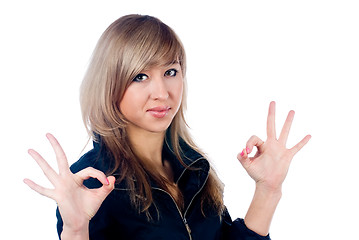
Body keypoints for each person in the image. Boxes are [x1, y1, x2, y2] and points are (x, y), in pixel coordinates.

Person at [23, 14, 311, 240]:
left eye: (170, 72)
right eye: (140, 76)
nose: (162, 92)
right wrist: (75, 232)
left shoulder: (192, 167)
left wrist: (269, 189)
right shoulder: (92, 181)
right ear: (109, 84)